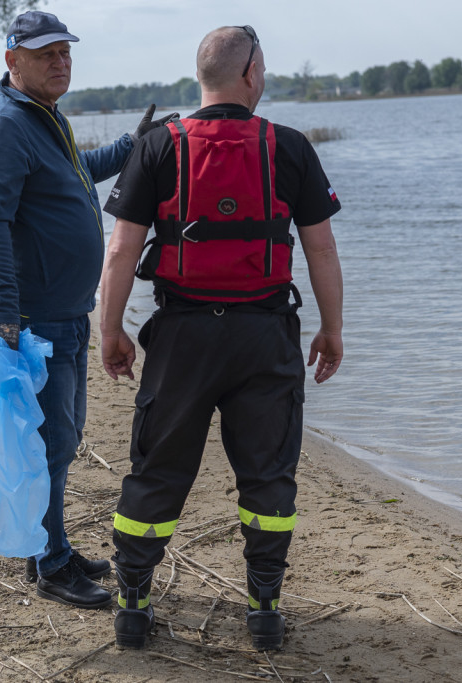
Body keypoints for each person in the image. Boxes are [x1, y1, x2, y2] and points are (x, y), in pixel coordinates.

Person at [99, 25, 344, 650]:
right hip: (265, 337)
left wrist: (111, 331)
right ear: (252, 73)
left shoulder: (156, 146)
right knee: (267, 474)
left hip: (182, 337)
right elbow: (320, 249)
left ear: (203, 78)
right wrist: (332, 329)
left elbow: (122, 250)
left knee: (158, 469)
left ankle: (132, 602)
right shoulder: (289, 147)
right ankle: (264, 608)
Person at [0, 10, 174, 610]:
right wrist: (3, 315)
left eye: (64, 52)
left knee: (62, 437)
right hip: (34, 322)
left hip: (68, 315)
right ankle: (50, 565)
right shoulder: (5, 126)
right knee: (50, 443)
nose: (59, 62)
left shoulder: (44, 116)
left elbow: (79, 173)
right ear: (13, 61)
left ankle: (51, 545)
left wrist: (134, 145)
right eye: (44, 54)